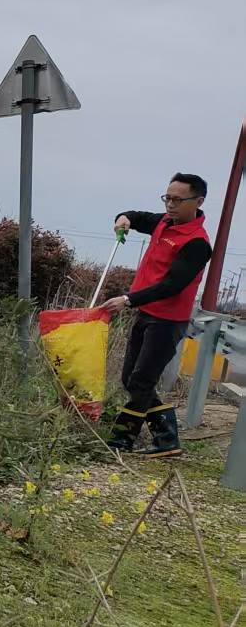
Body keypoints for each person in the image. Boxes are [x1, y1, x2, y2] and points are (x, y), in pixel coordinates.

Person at [99, 173, 213, 457]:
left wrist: (128, 299)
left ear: (198, 201)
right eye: (167, 198)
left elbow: (173, 285)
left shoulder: (197, 243)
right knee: (130, 378)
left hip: (168, 320)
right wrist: (123, 218)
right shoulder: (164, 222)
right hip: (146, 313)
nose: (170, 205)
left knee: (142, 380)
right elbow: (136, 217)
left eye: (178, 200)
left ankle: (122, 439)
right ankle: (167, 437)